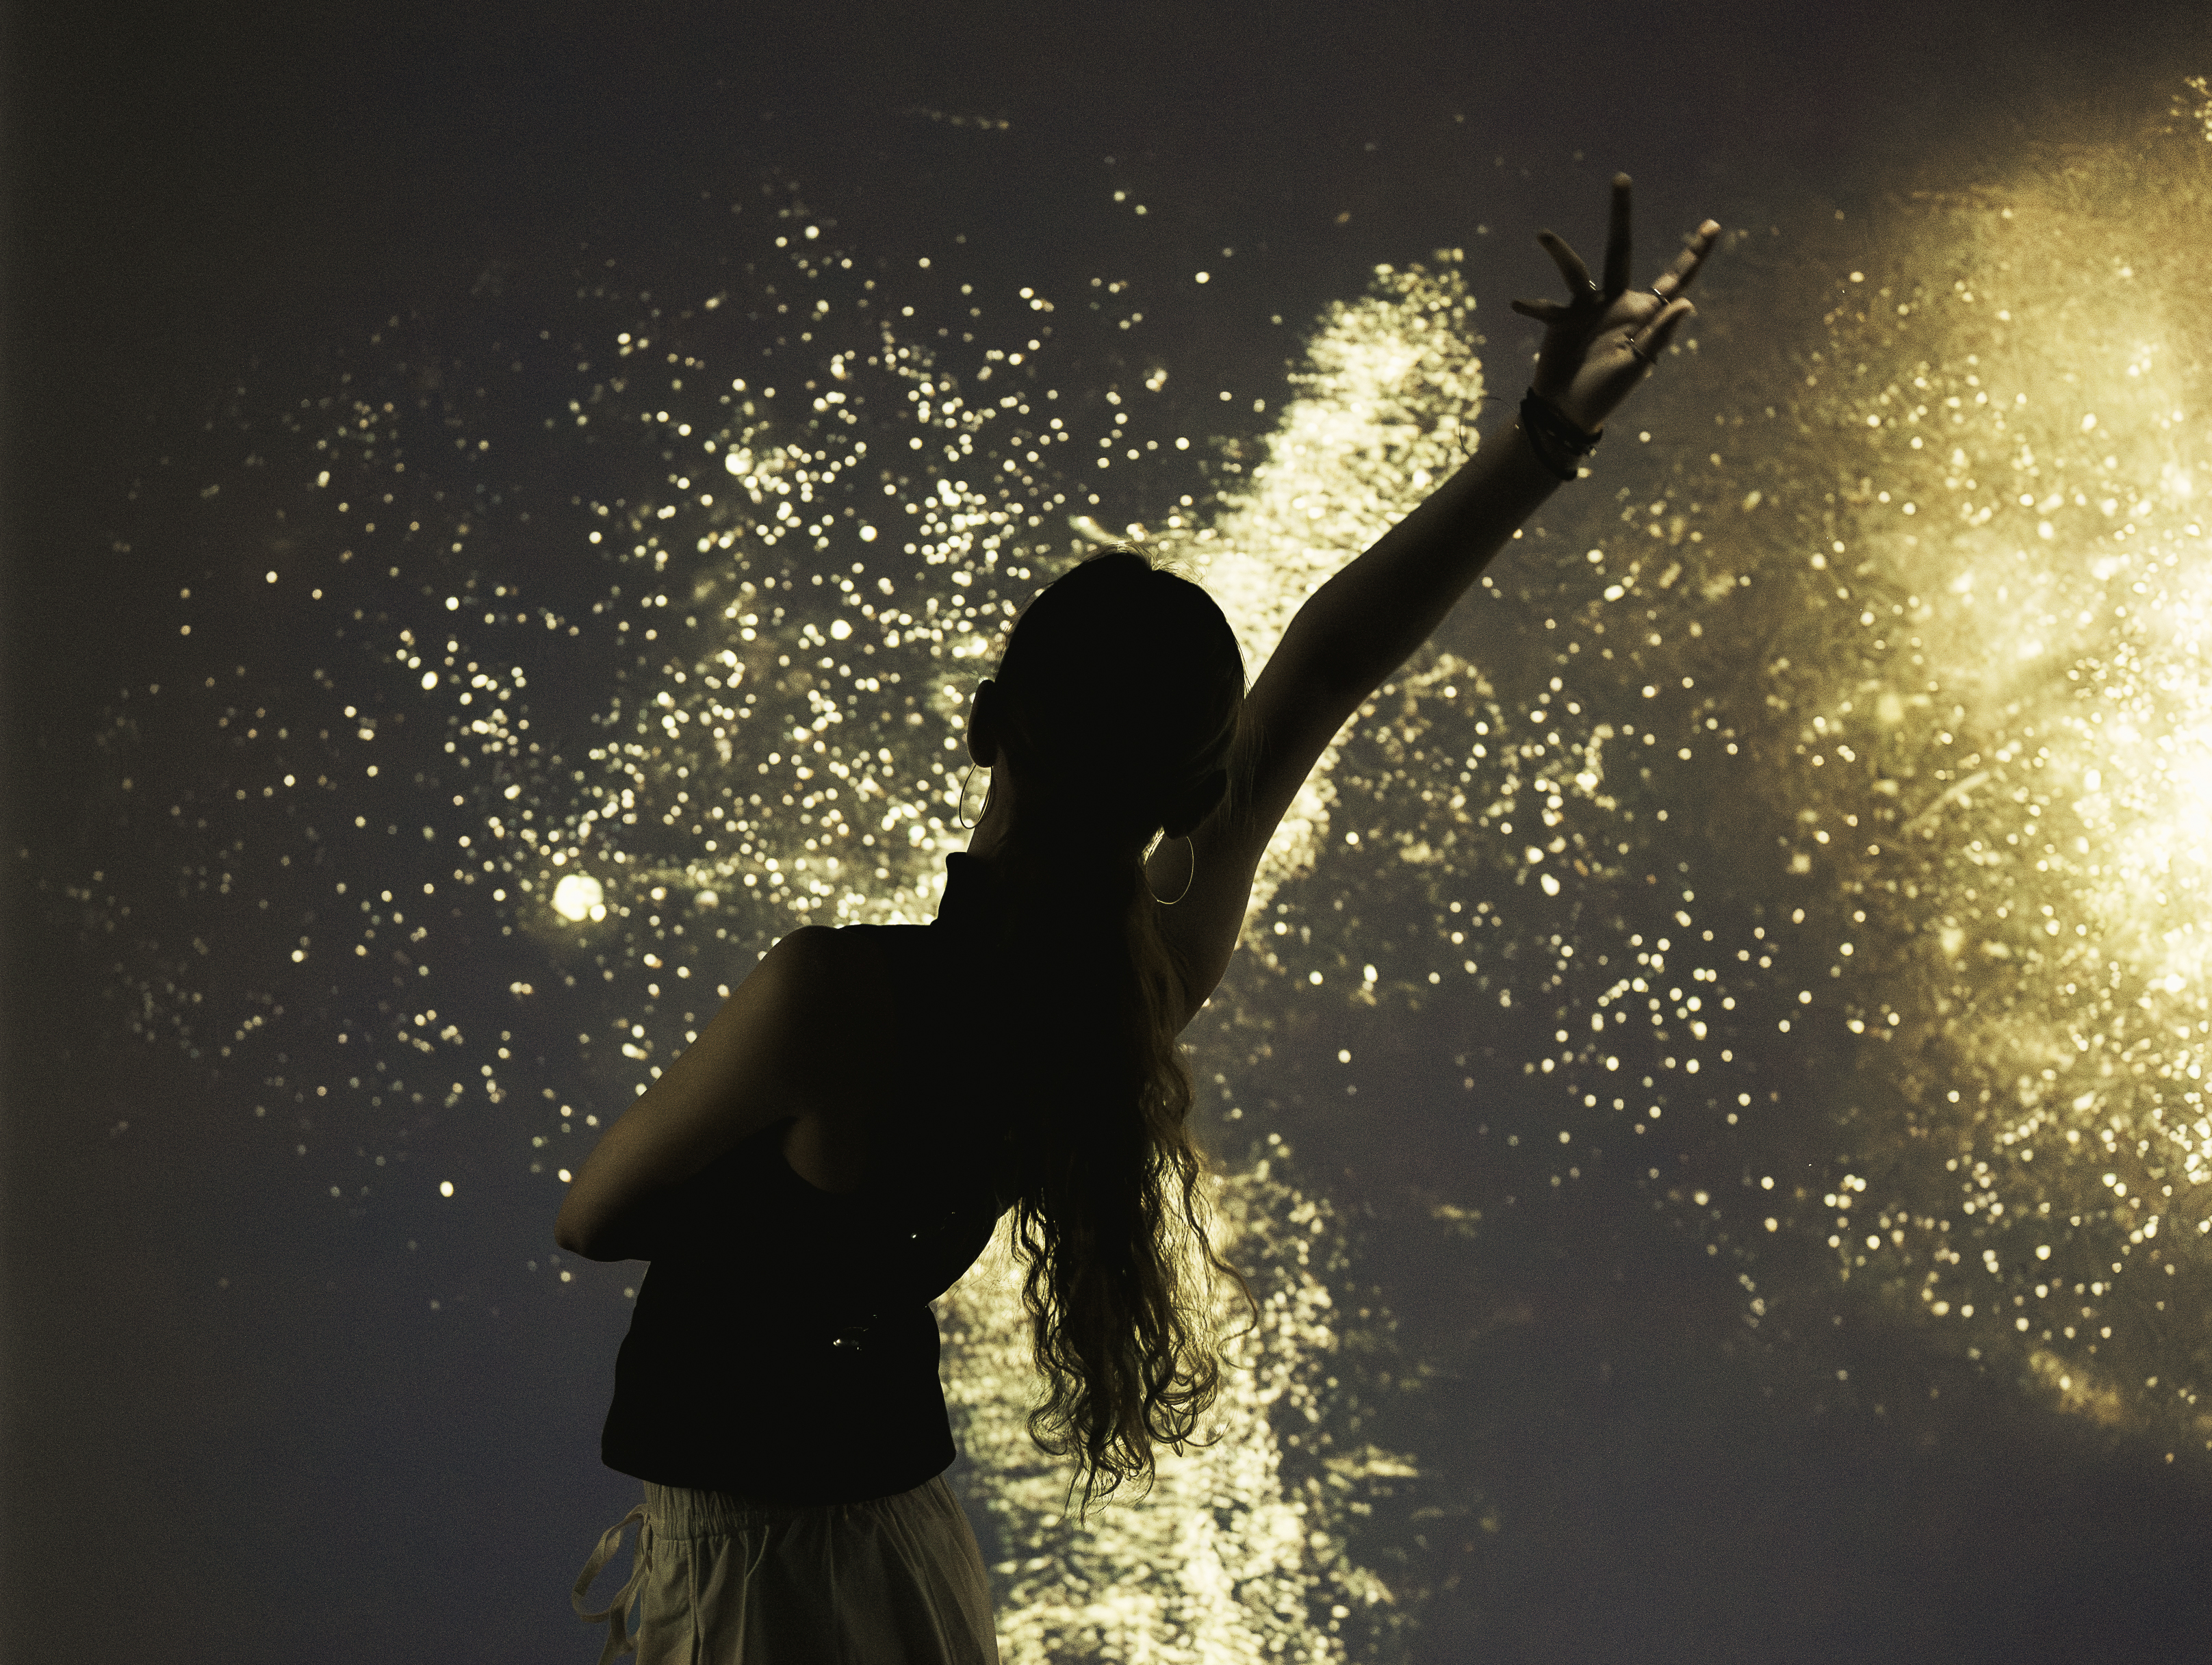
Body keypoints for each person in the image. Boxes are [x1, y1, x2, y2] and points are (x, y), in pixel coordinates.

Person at [561, 175, 1723, 1664]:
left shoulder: (833, 998)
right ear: (1182, 794)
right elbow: (1320, 669)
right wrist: (1544, 442)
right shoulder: (1135, 983)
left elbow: (593, 1216)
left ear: (984, 723)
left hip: (752, 1590)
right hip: (899, 1555)